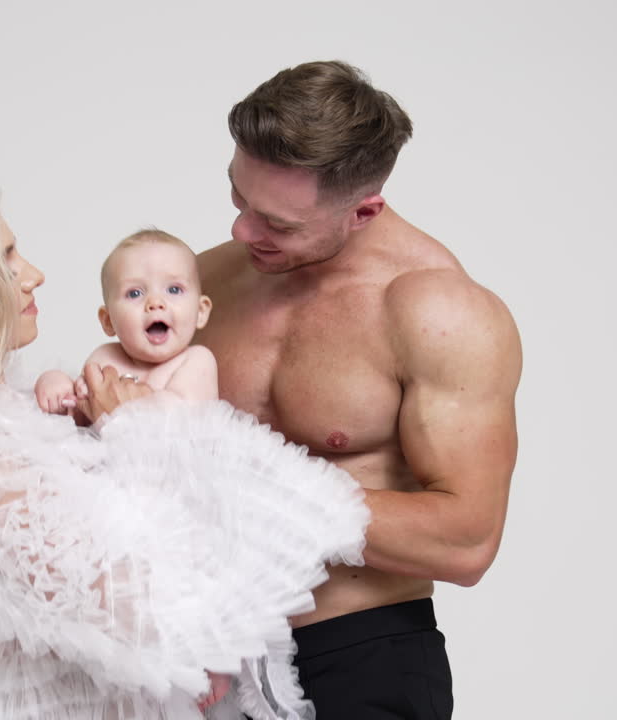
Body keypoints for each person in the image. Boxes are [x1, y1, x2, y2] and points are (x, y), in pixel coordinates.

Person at [0, 176, 371, 720]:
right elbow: (146, 613)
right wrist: (139, 431)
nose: (35, 275)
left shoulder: (6, 419)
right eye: (7, 257)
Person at [195, 60, 523, 719]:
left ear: (364, 210)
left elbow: (466, 542)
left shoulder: (437, 311)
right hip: (205, 664)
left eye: (279, 223)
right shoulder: (205, 281)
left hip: (356, 657)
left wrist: (256, 488)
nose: (242, 232)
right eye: (238, 197)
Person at [34, 228, 217, 415]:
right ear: (108, 321)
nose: (155, 303)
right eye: (134, 293)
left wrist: (123, 404)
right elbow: (83, 416)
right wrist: (59, 388)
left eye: (174, 290)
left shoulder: (196, 360)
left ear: (200, 311)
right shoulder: (105, 358)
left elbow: (184, 418)